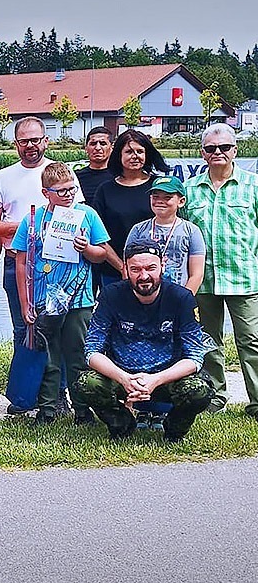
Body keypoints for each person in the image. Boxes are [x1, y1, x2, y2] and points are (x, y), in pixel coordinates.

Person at [0, 117, 85, 413]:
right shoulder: (3, 177)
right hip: (20, 264)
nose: (31, 145)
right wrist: (30, 226)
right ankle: (26, 394)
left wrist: (46, 225)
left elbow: (77, 215)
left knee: (61, 331)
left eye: (36, 139)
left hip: (62, 266)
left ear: (46, 140)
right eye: (24, 141)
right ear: (16, 144)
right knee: (24, 330)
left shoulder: (61, 174)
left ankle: (59, 395)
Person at [74, 240, 214, 441]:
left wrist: (155, 380)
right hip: (122, 376)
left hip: (167, 378)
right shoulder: (110, 296)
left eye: (151, 268)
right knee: (86, 383)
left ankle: (174, 429)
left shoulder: (181, 298)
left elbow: (195, 357)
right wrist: (124, 378)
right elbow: (91, 351)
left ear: (162, 266)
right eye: (136, 269)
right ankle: (121, 424)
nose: (144, 276)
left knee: (200, 390)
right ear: (126, 269)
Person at [13, 162, 110, 425]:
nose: (69, 195)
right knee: (47, 355)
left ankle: (82, 409)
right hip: (44, 299)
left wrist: (87, 249)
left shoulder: (87, 214)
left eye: (72, 189)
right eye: (62, 191)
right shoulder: (33, 219)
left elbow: (102, 253)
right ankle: (46, 409)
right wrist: (25, 303)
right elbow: (21, 261)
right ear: (46, 193)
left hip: (79, 299)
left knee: (77, 354)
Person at [182, 123, 258, 417]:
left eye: (224, 147)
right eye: (211, 148)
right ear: (202, 153)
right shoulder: (190, 190)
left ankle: (256, 400)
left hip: (244, 278)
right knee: (208, 340)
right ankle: (215, 396)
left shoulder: (252, 186)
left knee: (251, 340)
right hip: (203, 281)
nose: (218, 153)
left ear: (235, 150)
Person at [90, 129, 170, 287]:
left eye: (140, 151)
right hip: (115, 272)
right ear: (119, 155)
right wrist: (123, 267)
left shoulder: (160, 187)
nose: (135, 156)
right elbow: (98, 235)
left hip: (156, 272)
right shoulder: (105, 190)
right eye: (129, 151)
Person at [125, 176, 205, 295]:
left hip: (178, 294)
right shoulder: (138, 229)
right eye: (155, 197)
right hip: (144, 297)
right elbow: (127, 267)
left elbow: (197, 274)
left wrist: (184, 300)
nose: (160, 201)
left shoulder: (191, 231)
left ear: (181, 201)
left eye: (167, 197)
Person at [75, 127, 115, 199]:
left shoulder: (119, 176)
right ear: (86, 148)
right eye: (93, 144)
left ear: (111, 147)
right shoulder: (75, 178)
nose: (97, 148)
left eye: (103, 143)